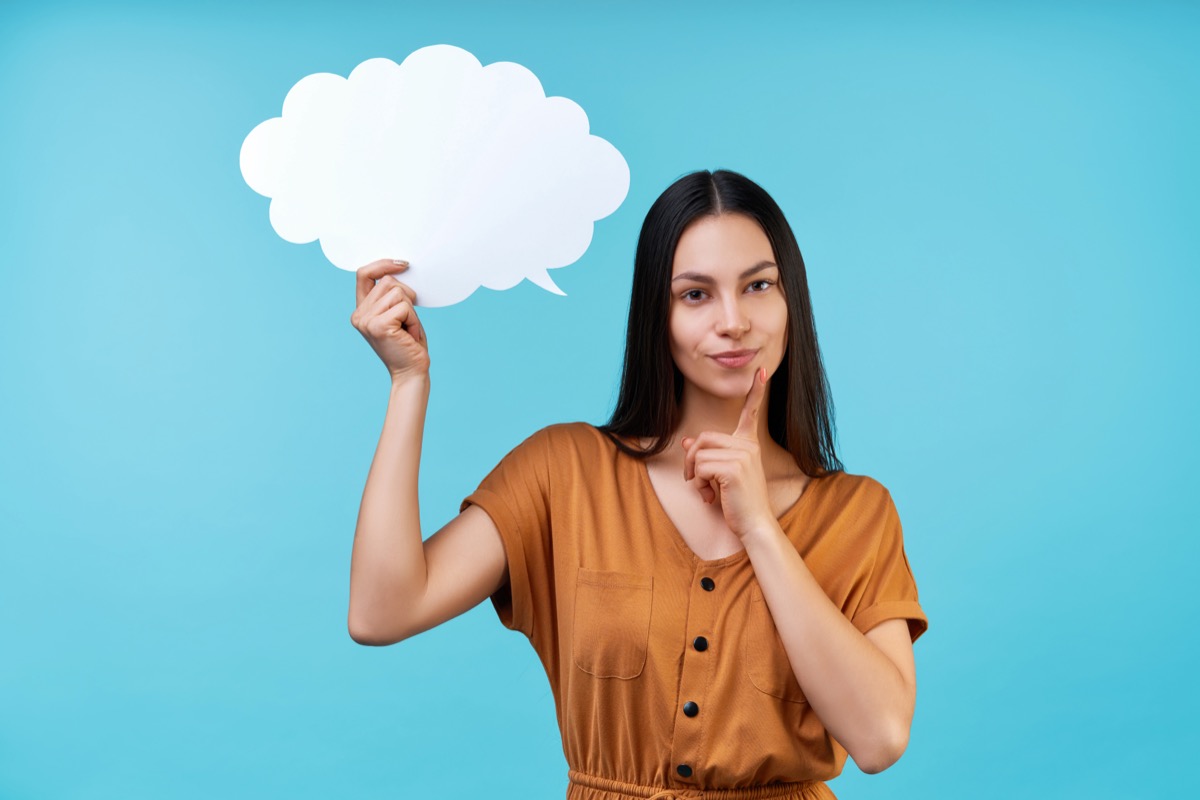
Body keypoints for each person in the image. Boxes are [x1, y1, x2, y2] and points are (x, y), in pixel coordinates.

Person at [347, 169, 929, 800]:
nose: (734, 321)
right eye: (696, 295)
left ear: (793, 302)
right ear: (658, 313)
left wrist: (760, 527)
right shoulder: (564, 473)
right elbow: (383, 612)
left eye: (758, 285)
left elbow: (879, 739)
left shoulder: (858, 512)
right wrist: (409, 384)